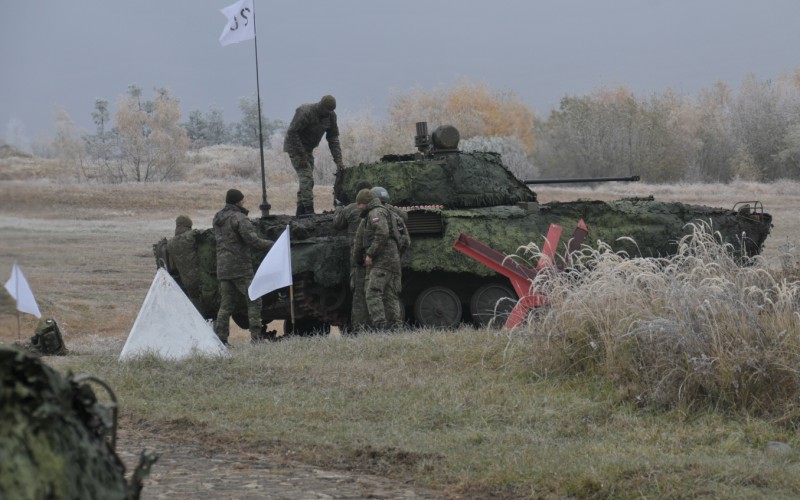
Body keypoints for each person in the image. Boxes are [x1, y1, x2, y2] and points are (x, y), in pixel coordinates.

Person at [213, 189, 274, 345]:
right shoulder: (240, 218)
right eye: (242, 200)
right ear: (238, 201)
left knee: (225, 306)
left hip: (223, 268)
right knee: (254, 300)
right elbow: (252, 241)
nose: (244, 202)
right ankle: (256, 338)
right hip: (240, 268)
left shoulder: (218, 218)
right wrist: (273, 245)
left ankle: (220, 340)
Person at [283, 95, 345, 216]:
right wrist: (301, 154)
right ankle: (309, 211)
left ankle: (300, 212)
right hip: (295, 147)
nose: (328, 112)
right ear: (321, 105)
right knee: (307, 178)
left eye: (330, 110)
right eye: (326, 110)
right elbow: (292, 132)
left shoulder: (331, 116)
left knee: (305, 181)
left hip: (308, 149)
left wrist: (339, 161)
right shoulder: (305, 111)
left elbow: (333, 139)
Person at [352, 188, 403, 331]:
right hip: (391, 260)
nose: (358, 207)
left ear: (365, 203)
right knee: (389, 294)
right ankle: (396, 328)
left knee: (373, 292)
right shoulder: (384, 211)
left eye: (359, 204)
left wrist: (370, 254)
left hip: (382, 260)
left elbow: (382, 233)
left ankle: (380, 327)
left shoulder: (375, 212)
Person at [333, 181, 372, 332]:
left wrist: (338, 208)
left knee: (358, 292)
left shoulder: (350, 209)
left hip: (357, 256)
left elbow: (337, 224)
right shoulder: (379, 209)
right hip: (376, 254)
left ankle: (359, 328)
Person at [165, 215, 203, 312]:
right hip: (199, 280)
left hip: (183, 282)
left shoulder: (170, 243)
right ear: (189, 226)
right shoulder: (191, 237)